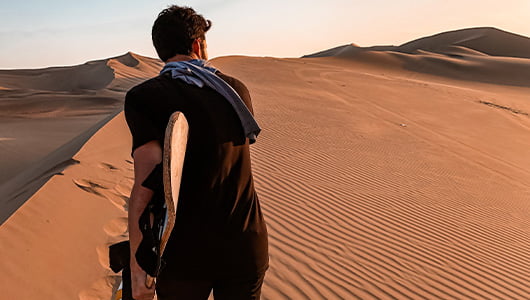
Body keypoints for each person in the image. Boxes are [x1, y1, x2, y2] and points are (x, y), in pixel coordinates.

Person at [124, 5, 269, 300]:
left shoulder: (145, 97)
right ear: (197, 45)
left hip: (184, 256)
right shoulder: (235, 92)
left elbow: (146, 185)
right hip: (245, 244)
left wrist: (138, 267)